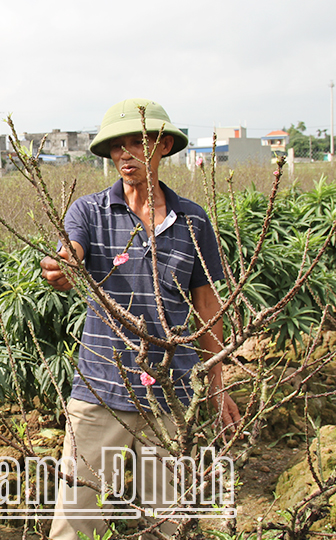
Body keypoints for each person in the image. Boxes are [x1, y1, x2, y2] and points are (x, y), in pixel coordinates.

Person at [40, 99, 241, 539]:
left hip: (170, 392)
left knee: (169, 519)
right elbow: (70, 254)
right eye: (117, 146)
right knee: (75, 515)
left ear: (164, 145)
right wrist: (65, 266)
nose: (125, 155)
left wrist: (216, 382)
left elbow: (207, 304)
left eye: (138, 142)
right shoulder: (89, 212)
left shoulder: (192, 220)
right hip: (101, 388)